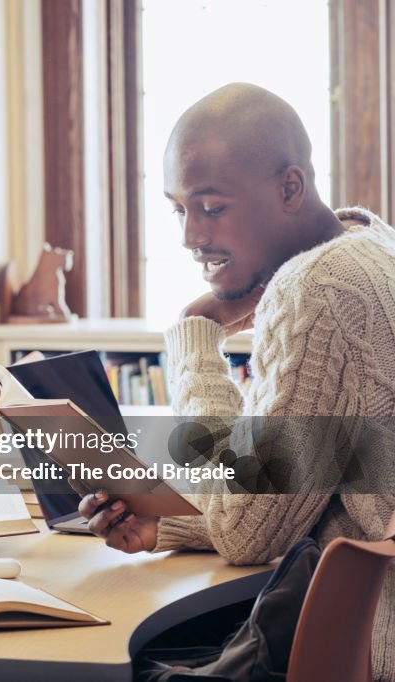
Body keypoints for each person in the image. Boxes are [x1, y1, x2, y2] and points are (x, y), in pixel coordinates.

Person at [79, 83, 395, 678]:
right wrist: (166, 520)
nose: (191, 237)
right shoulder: (374, 248)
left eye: (212, 207)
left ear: (290, 188)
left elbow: (245, 533)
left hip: (364, 648)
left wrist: (195, 338)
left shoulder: (318, 289)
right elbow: (304, 488)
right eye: (180, 209)